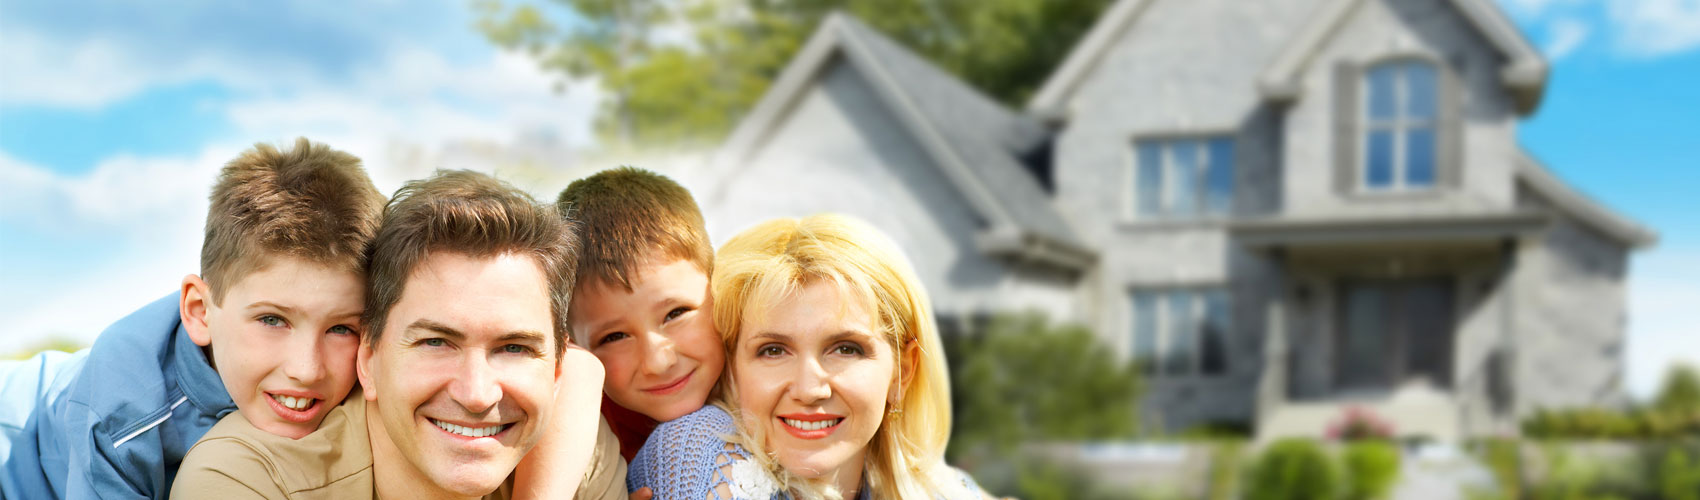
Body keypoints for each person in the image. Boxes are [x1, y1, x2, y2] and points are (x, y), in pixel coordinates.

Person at [170, 169, 627, 499]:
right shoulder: (245, 478)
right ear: (369, 359)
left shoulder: (571, 456)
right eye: (436, 342)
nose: (477, 394)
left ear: (556, 371)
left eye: (514, 347)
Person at [2, 138, 386, 500]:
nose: (307, 369)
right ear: (200, 312)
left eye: (341, 328)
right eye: (272, 320)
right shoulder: (124, 415)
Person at [629, 214, 989, 499]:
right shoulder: (697, 449)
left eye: (846, 348)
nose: (809, 388)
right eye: (772, 351)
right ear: (733, 369)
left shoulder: (931, 487)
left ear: (902, 372)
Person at [555, 167, 724, 461]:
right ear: (572, 346)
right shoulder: (580, 434)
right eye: (615, 337)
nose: (658, 363)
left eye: (676, 314)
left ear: (718, 287)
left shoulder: (770, 367)